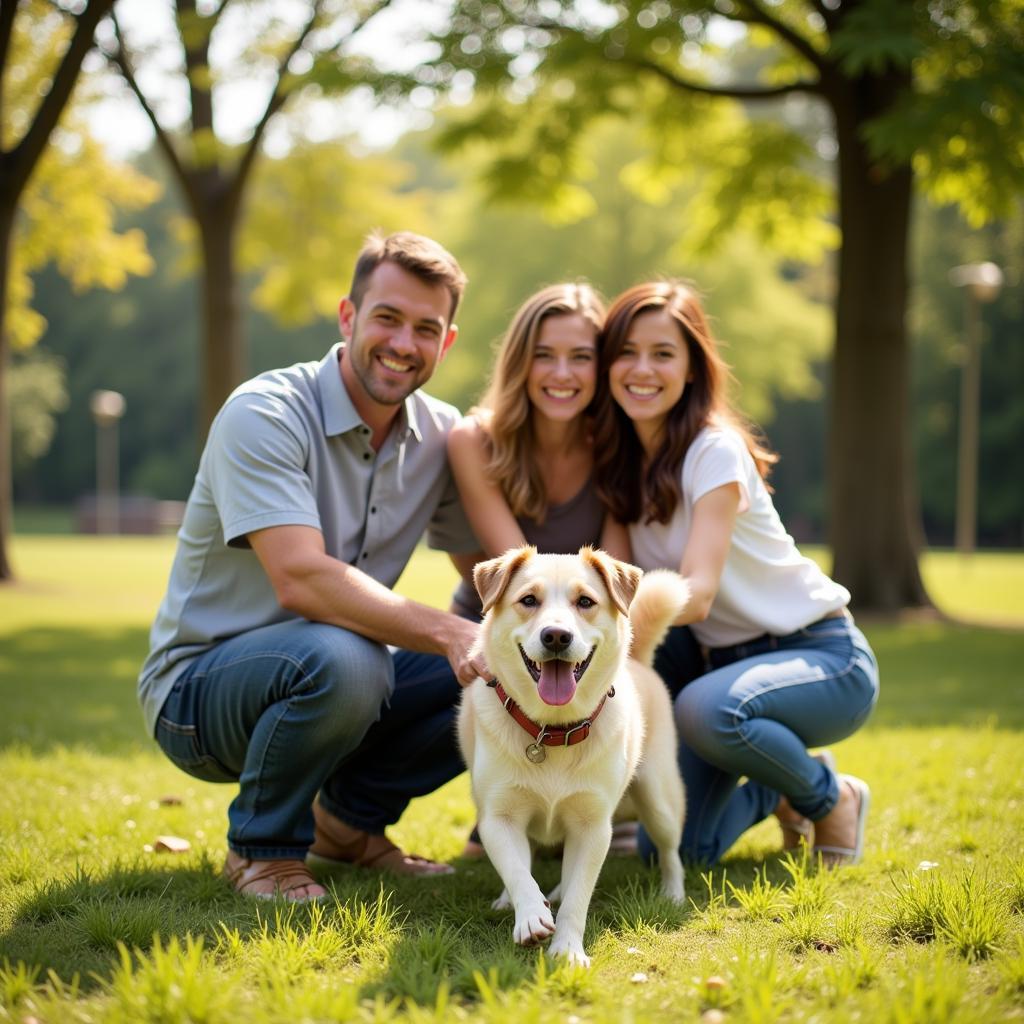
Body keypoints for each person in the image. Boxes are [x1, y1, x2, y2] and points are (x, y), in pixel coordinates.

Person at [138, 231, 486, 901]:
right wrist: (449, 632)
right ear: (348, 316)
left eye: (425, 328)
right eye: (386, 317)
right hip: (198, 696)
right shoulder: (265, 413)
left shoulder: (442, 435)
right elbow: (300, 578)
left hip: (337, 674)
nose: (403, 344)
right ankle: (263, 852)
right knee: (347, 658)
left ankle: (347, 826)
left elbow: (487, 572)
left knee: (498, 667)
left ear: (445, 343)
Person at [593, 280, 880, 867]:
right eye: (626, 352)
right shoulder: (619, 463)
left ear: (693, 368)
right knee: (673, 849)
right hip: (720, 672)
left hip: (820, 657)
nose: (641, 369)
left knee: (704, 710)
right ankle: (781, 788)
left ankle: (831, 797)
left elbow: (695, 596)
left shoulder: (714, 451)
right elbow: (609, 588)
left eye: (663, 354)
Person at [447, 281, 633, 857]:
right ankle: (502, 804)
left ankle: (603, 797)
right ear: (519, 361)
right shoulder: (474, 440)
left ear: (601, 369)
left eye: (581, 357)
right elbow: (519, 581)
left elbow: (621, 584)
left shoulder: (617, 446)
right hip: (508, 616)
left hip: (590, 617)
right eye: (545, 355)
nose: (562, 373)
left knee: (636, 669)